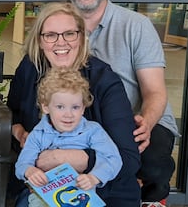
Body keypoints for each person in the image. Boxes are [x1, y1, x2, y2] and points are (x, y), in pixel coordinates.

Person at [61, 0, 179, 206]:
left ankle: (149, 199)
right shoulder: (59, 27)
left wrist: (146, 123)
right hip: (84, 121)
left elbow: (155, 91)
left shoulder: (137, 26)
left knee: (151, 164)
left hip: (137, 117)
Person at [7, 2, 141, 206]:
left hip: (102, 189)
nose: (60, 42)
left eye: (69, 34)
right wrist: (20, 134)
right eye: (50, 35)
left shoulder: (104, 80)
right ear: (40, 41)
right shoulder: (30, 68)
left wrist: (64, 158)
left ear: (81, 37)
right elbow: (12, 112)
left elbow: (128, 159)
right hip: (43, 187)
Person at [15, 68, 122, 207]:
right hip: (44, 196)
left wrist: (94, 177)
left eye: (75, 107)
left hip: (81, 195)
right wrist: (30, 171)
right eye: (60, 107)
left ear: (83, 108)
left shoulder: (92, 131)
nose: (68, 114)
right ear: (46, 107)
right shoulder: (38, 134)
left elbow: (113, 158)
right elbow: (22, 164)